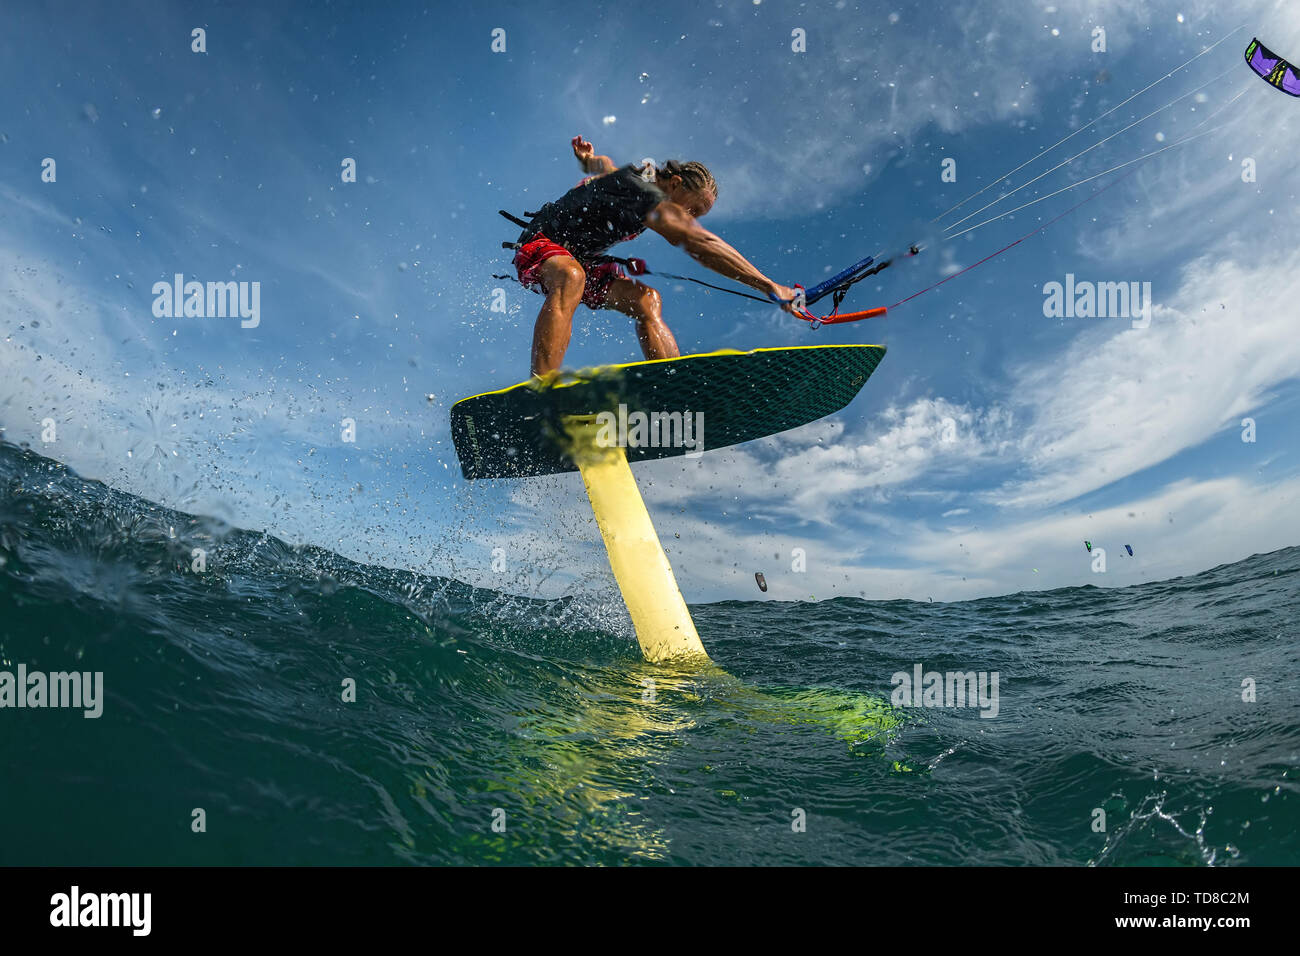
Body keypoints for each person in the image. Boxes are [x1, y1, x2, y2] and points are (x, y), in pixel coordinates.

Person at [510, 136, 797, 376]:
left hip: (583, 259)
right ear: (674, 184)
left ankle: (671, 385)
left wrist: (590, 161)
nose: (690, 218)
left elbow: (609, 168)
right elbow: (699, 242)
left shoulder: (640, 180)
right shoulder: (640, 188)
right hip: (541, 244)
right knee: (571, 276)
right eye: (693, 209)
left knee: (646, 301)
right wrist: (768, 285)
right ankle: (543, 390)